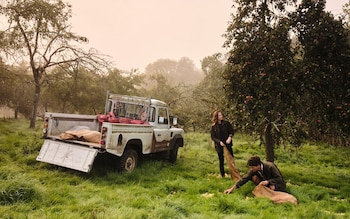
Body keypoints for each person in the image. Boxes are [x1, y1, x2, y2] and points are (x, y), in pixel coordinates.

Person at [210, 110, 234, 178]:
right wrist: (219, 142)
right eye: (219, 115)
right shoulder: (214, 126)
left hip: (227, 143)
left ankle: (234, 173)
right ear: (216, 117)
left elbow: (232, 131)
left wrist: (230, 137)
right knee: (221, 160)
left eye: (221, 115)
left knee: (231, 159)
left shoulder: (227, 123)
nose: (221, 116)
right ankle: (222, 174)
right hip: (219, 145)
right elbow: (213, 137)